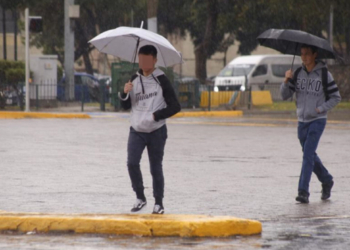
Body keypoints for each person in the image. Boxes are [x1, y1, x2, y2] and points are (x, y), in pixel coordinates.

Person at [120, 45, 181, 214]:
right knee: (132, 163)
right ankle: (140, 197)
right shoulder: (134, 78)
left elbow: (176, 106)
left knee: (155, 168)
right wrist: (124, 92)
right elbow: (125, 105)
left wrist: (157, 115)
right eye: (141, 59)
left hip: (156, 130)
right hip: (137, 130)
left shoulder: (161, 79)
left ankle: (159, 203)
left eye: (148, 59)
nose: (144, 63)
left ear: (154, 60)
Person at [280, 44, 341, 204]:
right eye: (302, 54)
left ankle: (303, 191)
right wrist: (286, 81)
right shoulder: (298, 73)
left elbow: (336, 97)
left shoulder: (324, 74)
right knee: (310, 155)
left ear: (315, 55)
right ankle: (326, 179)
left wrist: (320, 109)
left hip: (317, 121)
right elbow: (284, 96)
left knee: (307, 155)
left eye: (307, 54)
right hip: (302, 121)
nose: (304, 57)